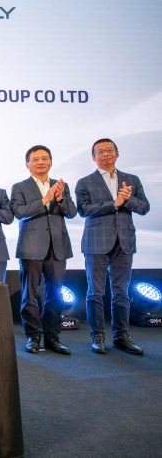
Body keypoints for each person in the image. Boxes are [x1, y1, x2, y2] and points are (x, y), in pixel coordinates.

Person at [75, 138, 150, 355]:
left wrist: (127, 200)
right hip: (96, 242)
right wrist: (114, 203)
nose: (106, 154)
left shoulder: (131, 179)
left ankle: (121, 336)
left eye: (109, 150)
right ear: (93, 157)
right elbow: (84, 210)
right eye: (100, 152)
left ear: (117, 153)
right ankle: (97, 336)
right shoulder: (85, 182)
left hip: (124, 242)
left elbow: (144, 207)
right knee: (95, 293)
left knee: (121, 292)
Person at [10, 145, 76, 355]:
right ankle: (33, 337)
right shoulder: (19, 187)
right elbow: (19, 212)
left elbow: (72, 212)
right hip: (31, 247)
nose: (40, 162)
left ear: (51, 162)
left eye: (44, 158)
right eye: (35, 159)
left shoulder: (61, 185)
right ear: (27, 164)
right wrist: (45, 199)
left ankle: (52, 337)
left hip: (58, 246)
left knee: (56, 294)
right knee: (29, 295)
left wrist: (60, 199)